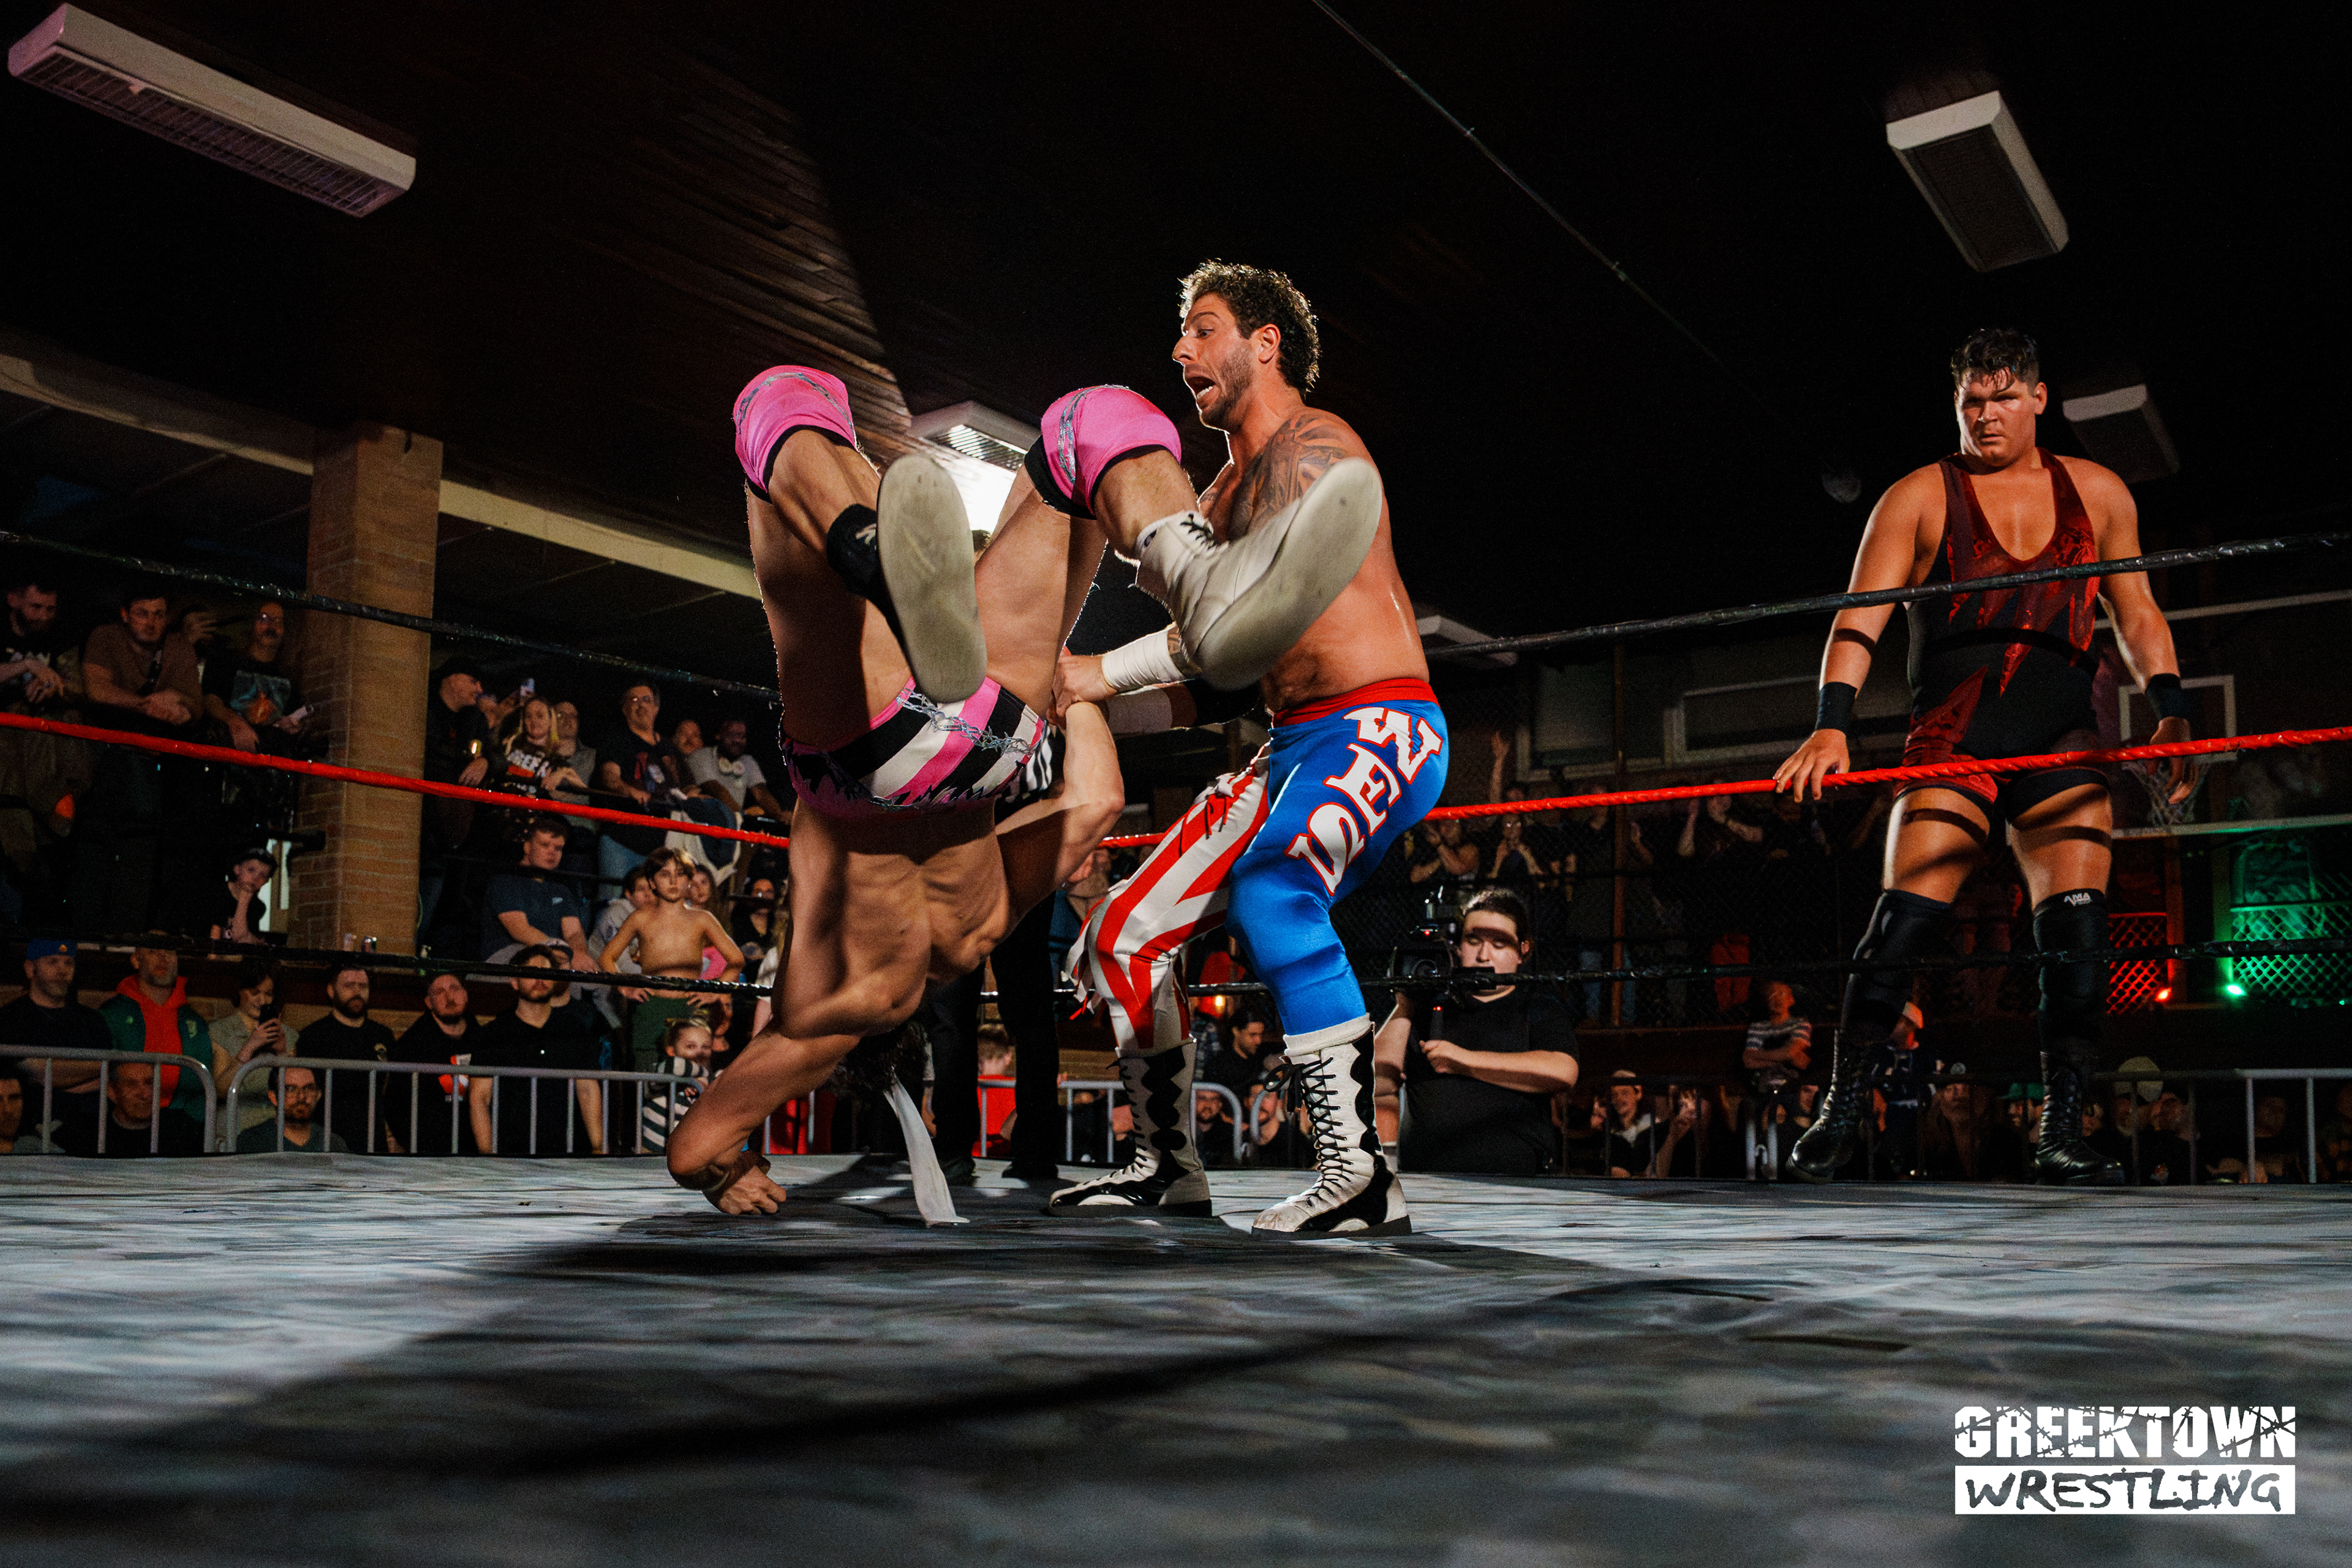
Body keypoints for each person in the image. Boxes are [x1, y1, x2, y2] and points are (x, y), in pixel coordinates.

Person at [1050, 261, 1438, 1236]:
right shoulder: (1220, 498)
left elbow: (1237, 628)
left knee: (1273, 893)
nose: (1182, 349)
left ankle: (1361, 1177)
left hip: (1379, 723)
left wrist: (1100, 673)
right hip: (1289, 744)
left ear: (1266, 343)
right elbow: (1207, 678)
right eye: (1182, 333)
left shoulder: (1317, 449)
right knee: (1122, 936)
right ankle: (1167, 1169)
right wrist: (1076, 708)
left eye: (1205, 327)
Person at [1776, 328, 2192, 1188]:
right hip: (1953, 739)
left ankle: (2062, 1129)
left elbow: (2137, 609)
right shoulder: (1918, 496)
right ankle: (1841, 1110)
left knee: (2077, 933)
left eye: (2003, 397)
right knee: (1901, 924)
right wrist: (1831, 723)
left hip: (2062, 739)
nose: (1986, 415)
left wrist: (2173, 709)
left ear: (2039, 398)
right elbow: (1860, 613)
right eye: (1972, 400)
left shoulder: (2098, 492)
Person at [1374, 889, 1578, 1175]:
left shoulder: (1537, 1004)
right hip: (1427, 1180)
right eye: (1473, 941)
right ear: (1458, 947)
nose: (1483, 956)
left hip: (1517, 1182)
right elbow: (1376, 1083)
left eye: (1499, 944)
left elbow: (1563, 1071)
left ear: (1523, 951)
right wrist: (1405, 1003)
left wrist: (1463, 1061)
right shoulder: (1427, 1004)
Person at [75, 581, 204, 933]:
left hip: (155, 769)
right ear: (125, 614)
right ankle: (87, 938)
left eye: (159, 614)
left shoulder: (177, 647)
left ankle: (128, 938)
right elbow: (97, 690)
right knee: (95, 852)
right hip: (101, 762)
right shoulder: (105, 637)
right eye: (142, 613)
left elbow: (194, 706)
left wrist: (178, 706)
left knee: (142, 855)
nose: (151, 622)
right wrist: (149, 705)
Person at [600, 848, 742, 1072]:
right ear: (652, 882)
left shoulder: (703, 918)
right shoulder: (640, 918)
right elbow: (607, 957)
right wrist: (624, 987)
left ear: (689, 880)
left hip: (691, 1006)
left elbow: (736, 960)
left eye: (681, 874)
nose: (674, 881)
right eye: (665, 874)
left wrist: (716, 991)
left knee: (695, 1073)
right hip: (652, 1006)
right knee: (647, 1073)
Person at [467, 947, 606, 1156]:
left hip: (568, 1152)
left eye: (546, 973)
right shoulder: (494, 1034)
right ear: (515, 982)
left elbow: (587, 1090)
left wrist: (598, 1148)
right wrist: (488, 1156)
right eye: (532, 973)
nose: (540, 980)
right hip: (512, 1153)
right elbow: (480, 1098)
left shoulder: (574, 1029)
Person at [1, 938, 111, 1152]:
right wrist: (93, 1071)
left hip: (90, 1136)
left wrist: (44, 1077)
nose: (62, 970)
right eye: (52, 962)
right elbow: (33, 1071)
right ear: (30, 968)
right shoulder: (9, 1019)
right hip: (30, 1136)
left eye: (68, 963)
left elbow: (107, 1073)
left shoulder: (92, 1021)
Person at [97, 938, 211, 1125]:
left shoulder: (194, 1021)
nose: (162, 956)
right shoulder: (112, 1014)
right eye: (153, 951)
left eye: (169, 951)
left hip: (182, 1129)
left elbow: (204, 1085)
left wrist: (189, 1125)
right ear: (136, 960)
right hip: (125, 1127)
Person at [420, 658, 492, 941]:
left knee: (450, 904)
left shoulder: (475, 719)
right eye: (473, 681)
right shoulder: (424, 709)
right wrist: (465, 761)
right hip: (426, 821)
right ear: (452, 679)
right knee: (425, 897)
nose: (479, 689)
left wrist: (484, 762)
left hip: (458, 829)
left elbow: (496, 756)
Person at [301, 963, 403, 1154]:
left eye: (363, 986)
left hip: (374, 1144)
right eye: (349, 986)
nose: (357, 992)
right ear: (331, 991)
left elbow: (393, 1092)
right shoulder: (313, 1036)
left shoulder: (383, 1035)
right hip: (327, 1144)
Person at [480, 815, 597, 967]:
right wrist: (563, 952)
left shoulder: (561, 891)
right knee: (549, 965)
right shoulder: (504, 883)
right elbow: (521, 930)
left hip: (555, 954)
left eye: (558, 848)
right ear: (527, 847)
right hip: (508, 954)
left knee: (592, 971)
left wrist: (577, 955)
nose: (552, 852)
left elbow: (574, 933)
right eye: (545, 845)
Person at [388, 971, 477, 1155]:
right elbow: (396, 1104)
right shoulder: (411, 1046)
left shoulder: (485, 1040)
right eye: (439, 992)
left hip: (476, 1149)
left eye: (454, 988)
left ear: (466, 995)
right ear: (429, 1003)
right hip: (430, 1151)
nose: (449, 996)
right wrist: (417, 1146)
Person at [201, 600, 306, 753]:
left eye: (278, 621)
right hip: (227, 754)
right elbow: (211, 700)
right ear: (252, 624)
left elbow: (289, 719)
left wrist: (291, 726)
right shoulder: (227, 661)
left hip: (269, 759)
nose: (271, 626)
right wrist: (234, 722)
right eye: (264, 619)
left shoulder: (289, 678)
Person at [209, 954, 296, 1136]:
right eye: (254, 992)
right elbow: (221, 1090)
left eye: (268, 994)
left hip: (274, 1129)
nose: (262, 1001)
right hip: (234, 1127)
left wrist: (282, 1053)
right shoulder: (220, 1031)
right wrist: (250, 1047)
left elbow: (295, 1092)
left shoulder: (287, 1035)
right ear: (239, 991)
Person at [53, 1058, 206, 1157]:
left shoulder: (182, 1127)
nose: (145, 1094)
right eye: (131, 1085)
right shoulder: (86, 1132)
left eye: (149, 1083)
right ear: (112, 1092)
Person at [638, 1013, 714, 1155]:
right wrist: (700, 1077)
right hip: (652, 1155)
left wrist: (702, 1082)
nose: (700, 1053)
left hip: (686, 1156)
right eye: (690, 1046)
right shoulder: (660, 1072)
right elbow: (677, 1066)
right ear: (671, 1050)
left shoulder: (711, 1081)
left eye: (706, 1047)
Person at [491, 696, 589, 802]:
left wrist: (564, 773)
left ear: (551, 720)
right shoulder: (510, 742)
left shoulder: (555, 760)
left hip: (529, 809)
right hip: (498, 803)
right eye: (529, 716)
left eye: (540, 716)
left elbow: (586, 793)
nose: (534, 721)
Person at [690, 718, 790, 821]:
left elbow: (761, 794)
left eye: (742, 737)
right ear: (719, 735)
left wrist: (780, 815)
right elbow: (717, 790)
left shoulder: (747, 761)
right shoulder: (702, 756)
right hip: (702, 821)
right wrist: (742, 815)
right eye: (732, 735)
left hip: (732, 821)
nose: (737, 741)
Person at [235, 1066, 350, 1153]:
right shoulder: (253, 1141)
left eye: (309, 1088)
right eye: (291, 1089)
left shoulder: (333, 1143)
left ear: (318, 1095)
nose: (301, 1096)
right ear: (273, 1097)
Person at [204, 848, 276, 945]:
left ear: (266, 881)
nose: (255, 878)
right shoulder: (215, 893)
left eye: (262, 875)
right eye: (251, 870)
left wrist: (245, 897)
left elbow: (241, 938)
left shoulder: (258, 907)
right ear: (237, 869)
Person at [1596, 1070, 1657, 1178]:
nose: (1619, 1099)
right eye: (1614, 1095)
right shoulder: (1608, 1131)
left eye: (1625, 1093)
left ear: (1638, 1094)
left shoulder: (1652, 1127)